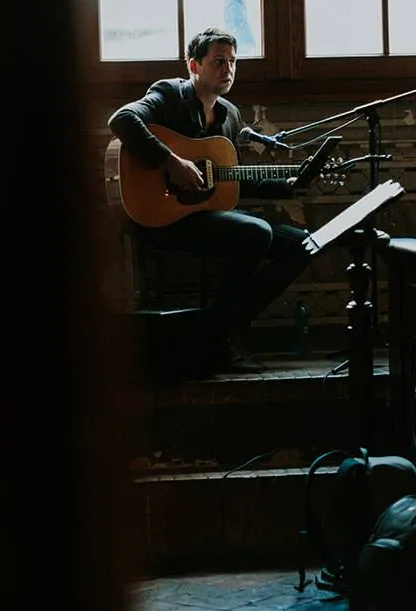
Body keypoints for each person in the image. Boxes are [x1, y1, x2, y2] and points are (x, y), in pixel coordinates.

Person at [108, 26, 311, 372]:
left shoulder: (230, 115)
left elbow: (228, 182)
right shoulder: (169, 95)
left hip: (201, 214)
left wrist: (289, 184)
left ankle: (222, 328)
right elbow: (122, 119)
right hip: (156, 213)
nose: (227, 69)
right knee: (257, 233)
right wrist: (172, 162)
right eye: (218, 61)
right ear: (193, 65)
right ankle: (221, 338)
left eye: (232, 62)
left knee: (304, 244)